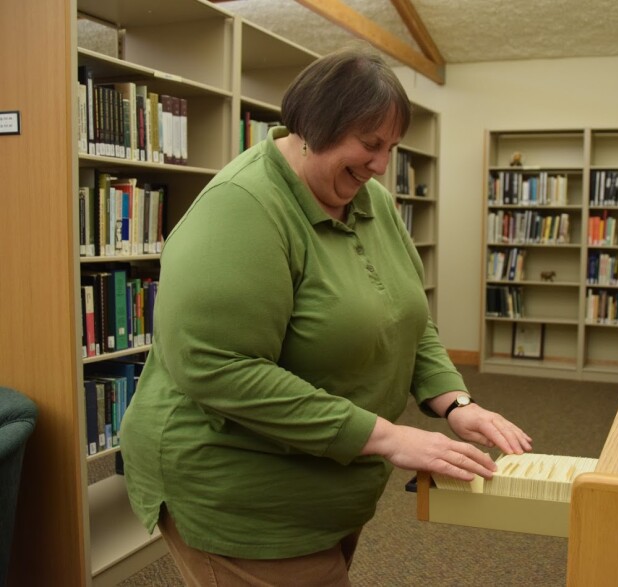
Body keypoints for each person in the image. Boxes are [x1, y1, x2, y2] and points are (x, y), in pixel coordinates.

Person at [119, 45, 532, 586]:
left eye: (392, 147)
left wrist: (453, 401)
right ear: (315, 125)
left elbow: (405, 315)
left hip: (327, 487)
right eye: (370, 144)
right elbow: (217, 366)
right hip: (240, 495)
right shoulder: (242, 208)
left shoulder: (372, 200)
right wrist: (387, 436)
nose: (382, 165)